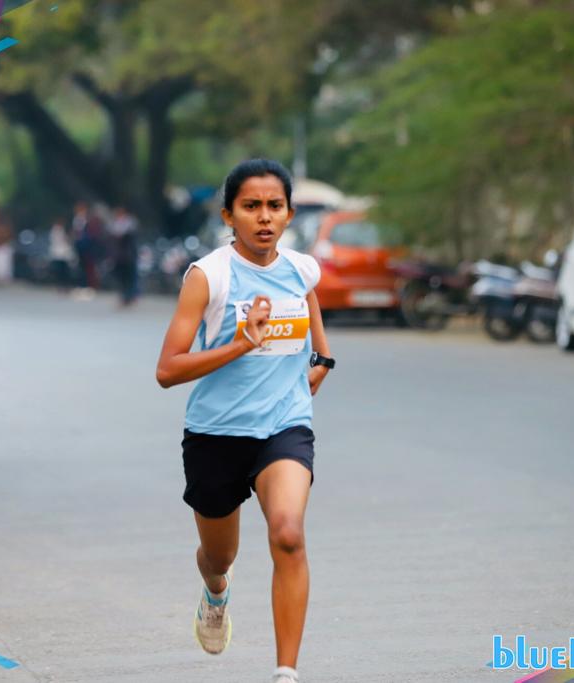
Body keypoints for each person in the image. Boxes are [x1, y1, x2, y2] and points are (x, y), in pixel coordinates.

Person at [155, 159, 335, 683]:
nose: (263, 217)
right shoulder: (207, 277)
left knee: (287, 534)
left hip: (284, 425)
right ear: (228, 215)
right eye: (251, 207)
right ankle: (215, 593)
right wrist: (240, 345)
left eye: (274, 207)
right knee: (219, 555)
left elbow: (309, 303)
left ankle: (285, 672)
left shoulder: (302, 268)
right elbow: (168, 370)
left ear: (289, 214)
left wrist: (322, 357)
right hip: (216, 435)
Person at [109, 206, 139, 307]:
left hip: (128, 255)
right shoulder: (115, 223)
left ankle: (130, 296)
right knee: (121, 277)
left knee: (130, 276)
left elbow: (129, 238)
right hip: (119, 256)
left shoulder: (130, 222)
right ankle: (124, 296)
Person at [48, 218, 73, 294]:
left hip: (62, 254)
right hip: (59, 254)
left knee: (63, 272)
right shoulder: (56, 231)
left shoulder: (59, 231)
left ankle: (63, 287)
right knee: (61, 272)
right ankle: (61, 286)